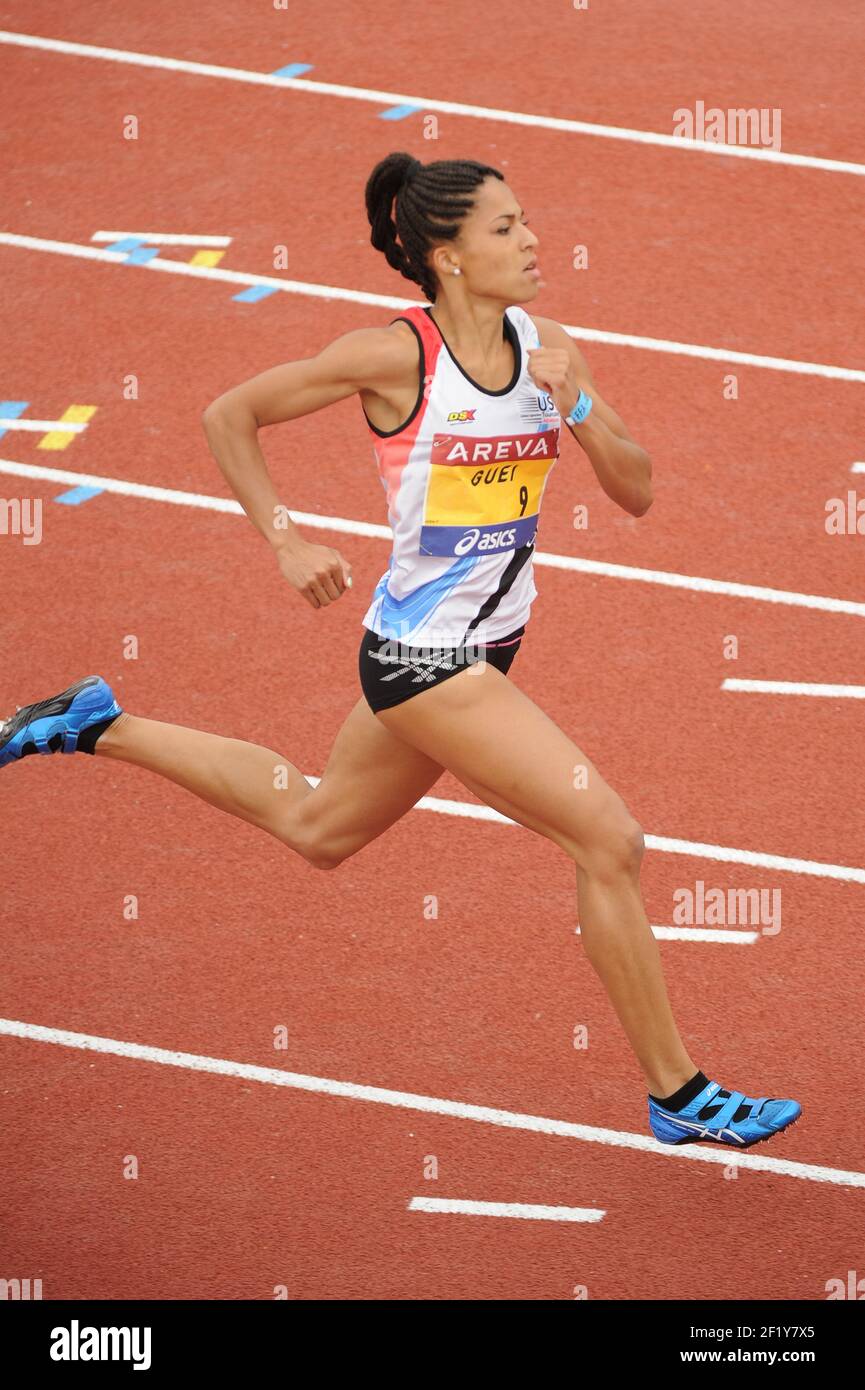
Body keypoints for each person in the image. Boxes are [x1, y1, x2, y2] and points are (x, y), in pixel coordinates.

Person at [1, 151, 800, 1149]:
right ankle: (677, 1094)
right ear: (446, 255)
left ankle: (95, 722)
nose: (531, 240)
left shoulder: (549, 348)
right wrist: (286, 535)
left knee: (318, 825)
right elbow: (228, 413)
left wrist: (579, 408)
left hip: (483, 650)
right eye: (504, 228)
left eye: (525, 220)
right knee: (609, 840)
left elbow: (636, 491)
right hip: (425, 662)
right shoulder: (397, 359)